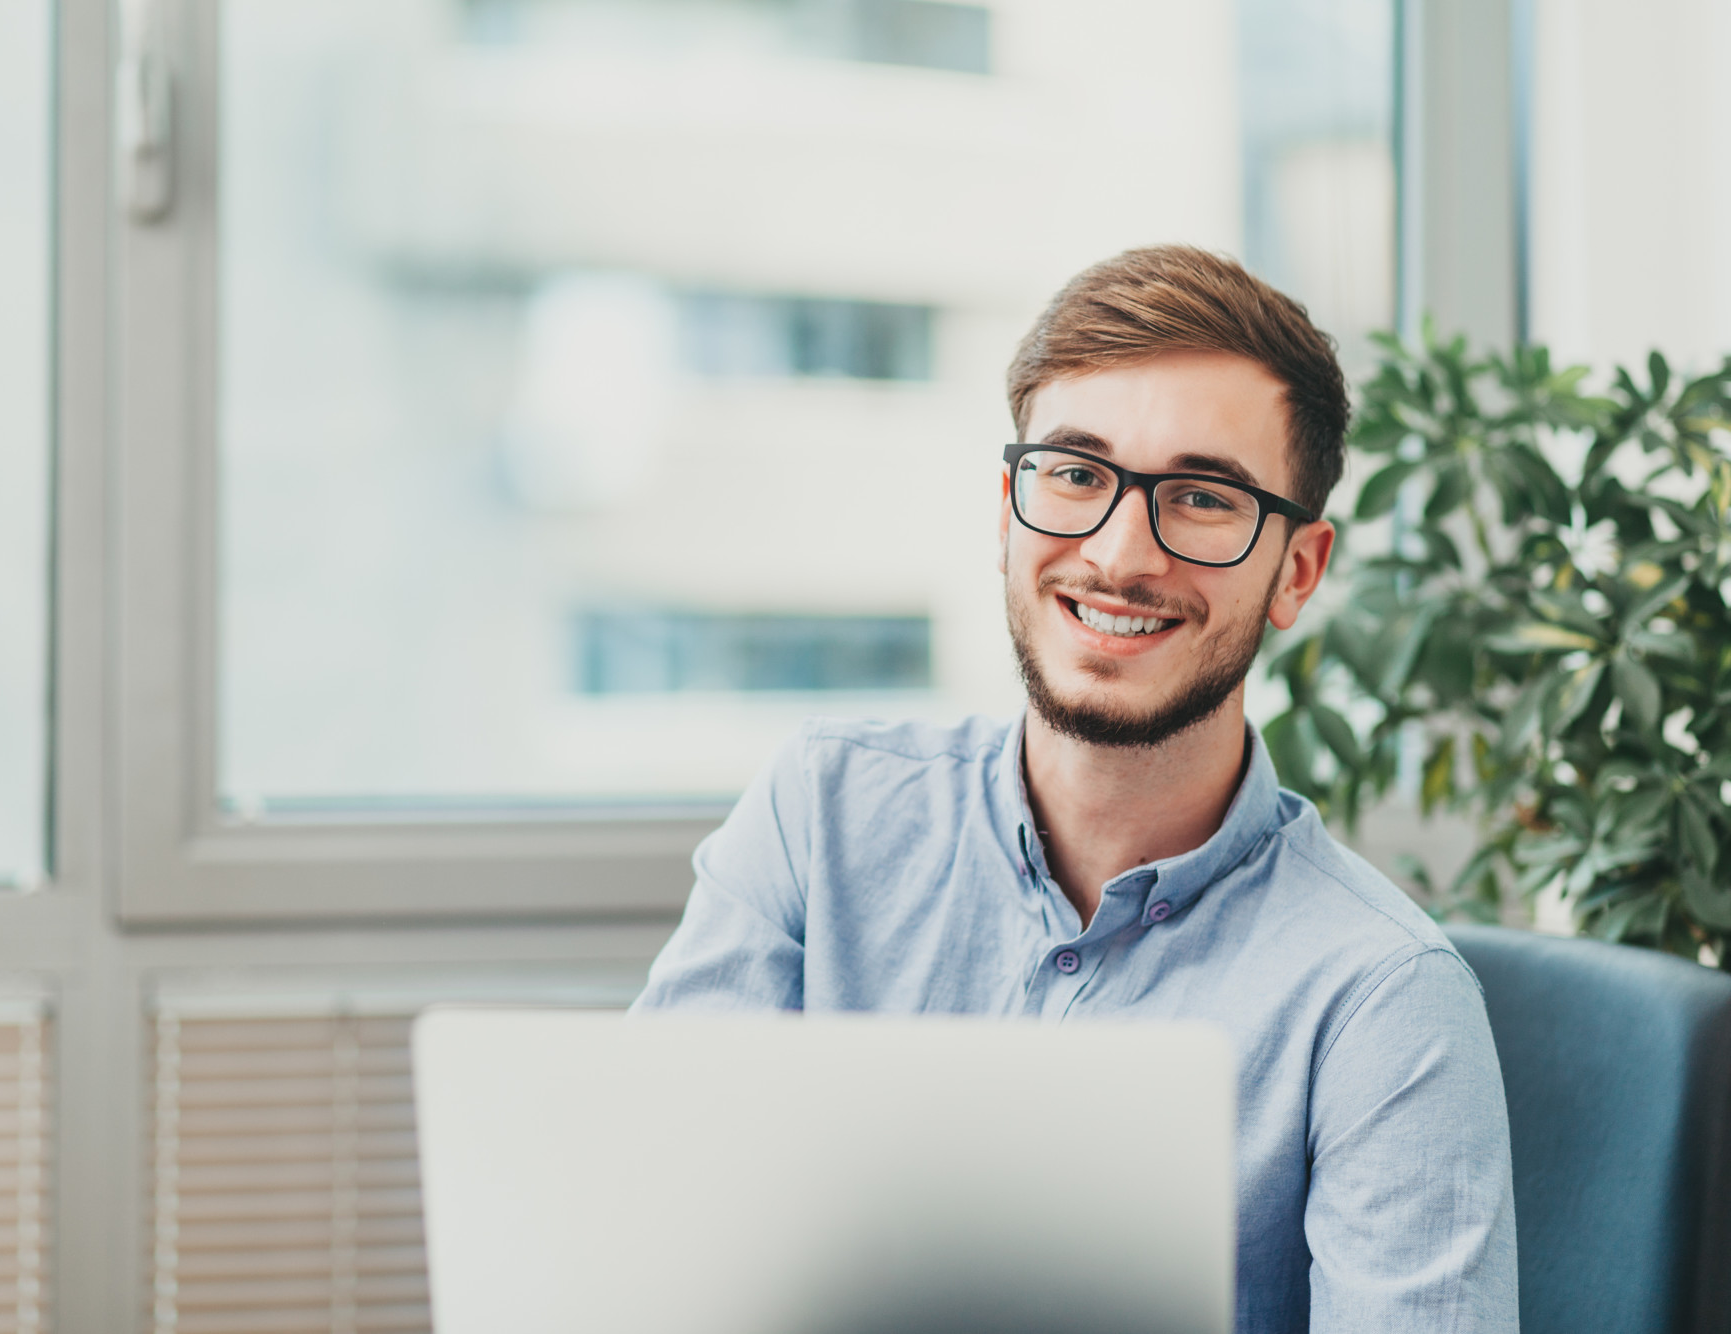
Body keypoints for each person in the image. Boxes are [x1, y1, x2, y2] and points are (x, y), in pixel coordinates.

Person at [632, 246, 1518, 1333]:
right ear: (1009, 509)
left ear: (1296, 569)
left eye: (1201, 496)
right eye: (1073, 472)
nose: (1117, 551)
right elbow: (648, 1247)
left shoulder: (1381, 997)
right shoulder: (820, 813)